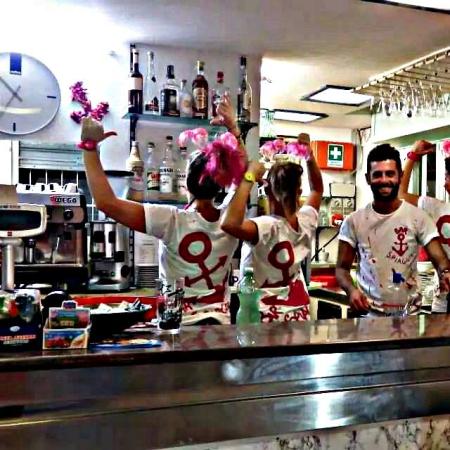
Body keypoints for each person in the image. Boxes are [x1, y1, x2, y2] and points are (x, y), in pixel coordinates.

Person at [80, 94, 247, 325]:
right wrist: (234, 128)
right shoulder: (231, 219)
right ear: (221, 185)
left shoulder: (171, 219)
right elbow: (244, 174)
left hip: (178, 325)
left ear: (187, 180)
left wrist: (89, 149)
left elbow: (106, 203)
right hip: (220, 326)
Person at [336, 143, 450, 313]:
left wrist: (445, 272)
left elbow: (440, 260)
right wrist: (351, 290)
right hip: (367, 315)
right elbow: (341, 269)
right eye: (377, 175)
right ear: (368, 178)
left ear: (400, 176)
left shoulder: (419, 218)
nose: (384, 180)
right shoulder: (354, 221)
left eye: (390, 174)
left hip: (409, 318)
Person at [221, 134, 323, 322]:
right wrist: (308, 154)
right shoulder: (306, 221)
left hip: (265, 319)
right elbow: (317, 189)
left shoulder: (265, 227)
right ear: (299, 192)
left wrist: (249, 177)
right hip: (298, 315)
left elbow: (228, 223)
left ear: (267, 190)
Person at [399, 139, 450, 312]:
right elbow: (399, 196)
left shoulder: (437, 208)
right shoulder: (436, 207)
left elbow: (399, 194)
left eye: (446, 176)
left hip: (442, 302)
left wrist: (413, 156)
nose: (444, 183)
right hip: (442, 301)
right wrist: (412, 155)